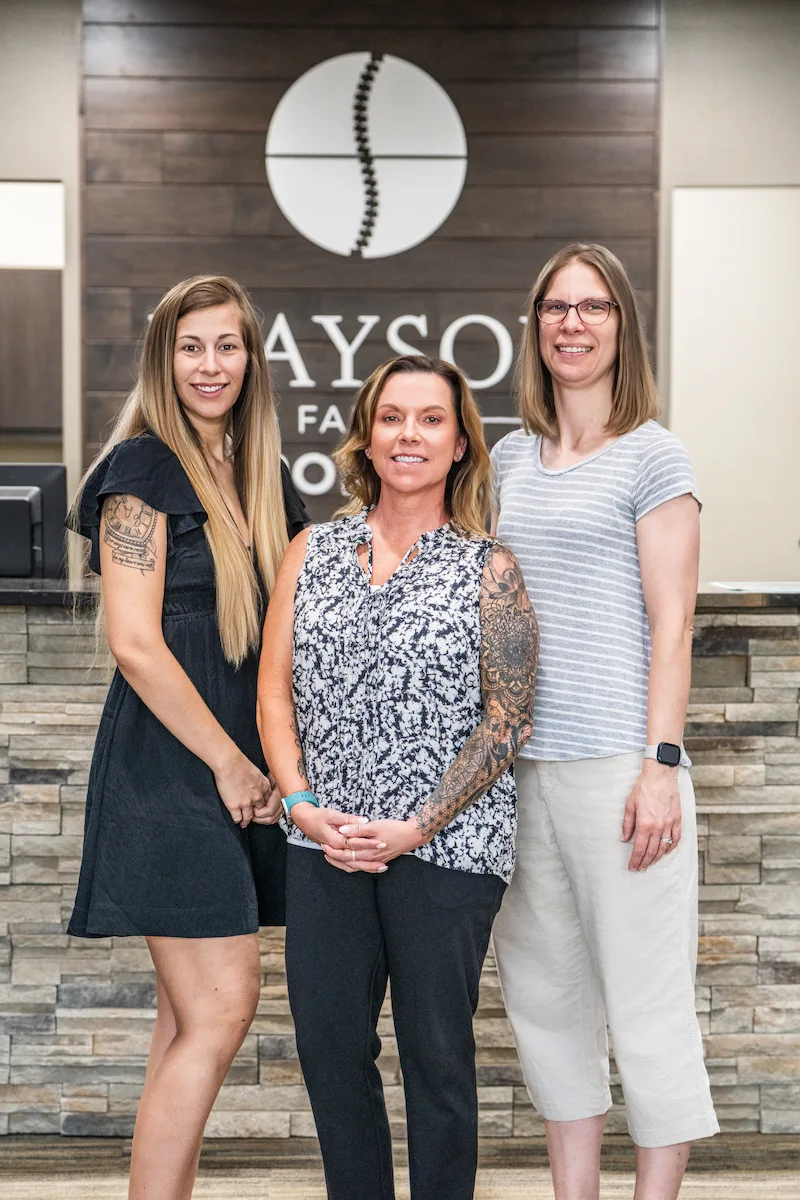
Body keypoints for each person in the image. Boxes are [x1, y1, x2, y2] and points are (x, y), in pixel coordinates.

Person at [256, 354, 538, 1200]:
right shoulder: (312, 549)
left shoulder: (490, 568)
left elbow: (508, 718)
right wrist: (303, 808)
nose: (408, 434)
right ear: (367, 437)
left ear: (460, 445)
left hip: (445, 852)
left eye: (430, 420)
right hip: (323, 843)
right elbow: (274, 690)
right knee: (332, 1048)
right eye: (391, 417)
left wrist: (419, 825)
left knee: (436, 1054)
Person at [66, 275, 308, 1200]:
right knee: (218, 1010)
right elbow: (133, 641)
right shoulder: (141, 470)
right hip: (175, 770)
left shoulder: (262, 477)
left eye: (228, 346)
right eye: (191, 347)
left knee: (184, 1023)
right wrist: (230, 764)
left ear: (252, 361)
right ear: (163, 360)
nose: (211, 365)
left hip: (236, 773)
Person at [490, 243, 718, 1200]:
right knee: (545, 1003)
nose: (571, 324)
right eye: (556, 307)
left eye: (592, 308)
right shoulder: (506, 456)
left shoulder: (655, 454)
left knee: (647, 1007)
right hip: (519, 773)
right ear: (535, 325)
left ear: (622, 325)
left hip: (623, 766)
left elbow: (674, 623)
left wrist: (661, 764)